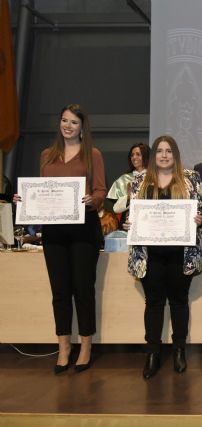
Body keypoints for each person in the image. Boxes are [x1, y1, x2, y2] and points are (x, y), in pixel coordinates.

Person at [13, 104, 106, 374]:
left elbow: (100, 189)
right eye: (64, 121)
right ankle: (64, 346)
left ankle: (86, 345)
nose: (67, 126)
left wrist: (93, 199)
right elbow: (43, 190)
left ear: (82, 127)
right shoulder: (47, 155)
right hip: (54, 231)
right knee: (60, 291)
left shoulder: (93, 154)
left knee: (83, 288)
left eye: (74, 122)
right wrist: (25, 199)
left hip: (84, 229)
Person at [124, 135, 202, 379]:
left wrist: (200, 219)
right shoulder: (140, 181)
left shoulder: (191, 178)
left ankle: (179, 350)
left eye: (168, 151)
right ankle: (152, 353)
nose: (163, 155)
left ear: (175, 154)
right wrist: (129, 223)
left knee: (180, 302)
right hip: (149, 254)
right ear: (154, 156)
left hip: (181, 254)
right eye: (159, 151)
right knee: (153, 303)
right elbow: (131, 214)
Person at [105, 143, 150, 228]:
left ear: (146, 156)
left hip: (149, 222)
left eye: (138, 154)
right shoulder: (124, 179)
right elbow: (109, 205)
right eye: (132, 155)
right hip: (127, 224)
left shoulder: (155, 178)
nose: (134, 157)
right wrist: (128, 198)